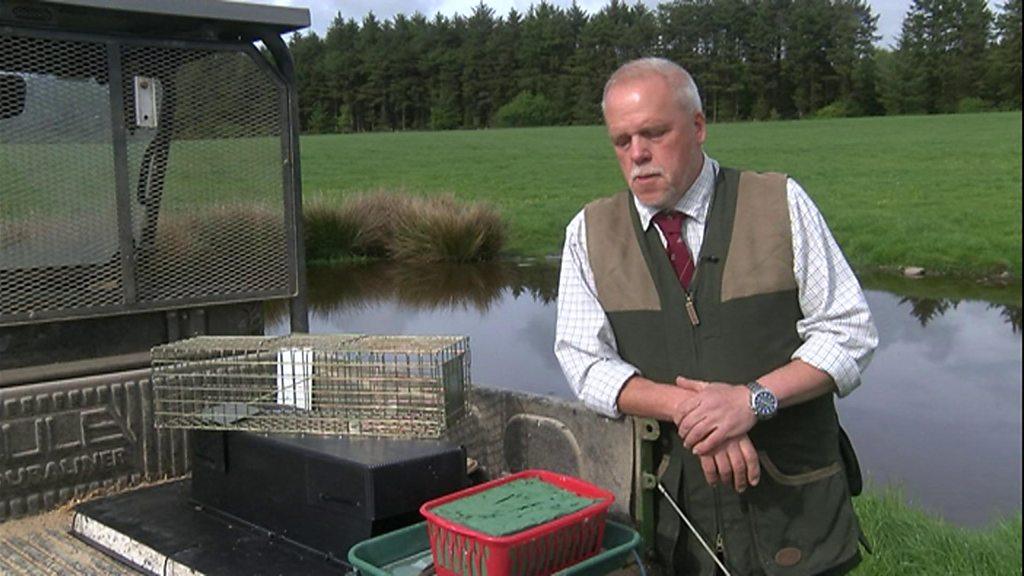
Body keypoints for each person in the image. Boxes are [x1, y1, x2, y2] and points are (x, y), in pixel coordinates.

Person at [554, 57, 878, 575]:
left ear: (699, 127)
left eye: (655, 133)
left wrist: (752, 400)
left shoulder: (780, 202)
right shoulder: (588, 234)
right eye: (622, 140)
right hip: (672, 523)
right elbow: (584, 362)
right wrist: (691, 409)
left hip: (793, 510)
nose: (638, 155)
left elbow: (849, 331)